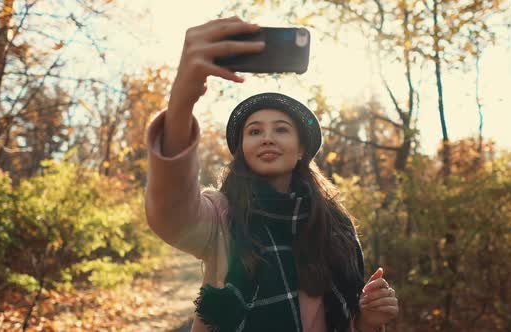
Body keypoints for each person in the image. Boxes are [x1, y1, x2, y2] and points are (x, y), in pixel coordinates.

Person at [144, 16, 399, 332]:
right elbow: (170, 212)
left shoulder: (337, 224)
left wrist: (370, 319)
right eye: (254, 131)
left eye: (281, 129)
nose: (267, 138)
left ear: (301, 149)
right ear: (242, 150)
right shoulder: (221, 215)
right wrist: (183, 98)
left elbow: (351, 320)